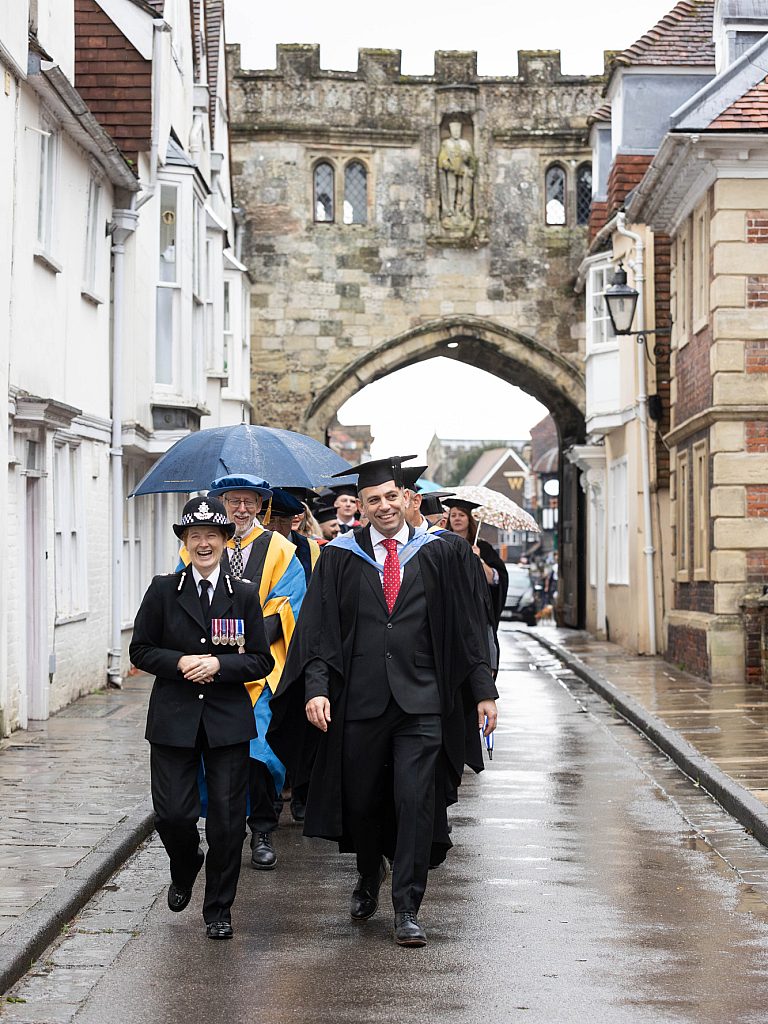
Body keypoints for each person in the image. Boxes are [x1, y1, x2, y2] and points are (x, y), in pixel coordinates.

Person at [268, 456, 498, 948]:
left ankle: (407, 906)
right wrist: (316, 689)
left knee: (415, 800)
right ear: (363, 506)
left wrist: (483, 691)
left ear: (406, 498)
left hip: (423, 702)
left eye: (391, 496)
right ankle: (368, 875)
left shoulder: (443, 553)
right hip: (360, 701)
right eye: (373, 499)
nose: (383, 505)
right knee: (365, 799)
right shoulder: (340, 557)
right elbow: (319, 632)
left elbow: (467, 628)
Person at [130, 496, 274, 940]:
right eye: (196, 537)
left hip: (227, 721)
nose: (204, 544)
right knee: (172, 814)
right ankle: (186, 861)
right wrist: (181, 662)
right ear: (185, 543)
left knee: (229, 821)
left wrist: (219, 666)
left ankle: (219, 910)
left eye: (212, 535)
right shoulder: (162, 590)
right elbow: (140, 650)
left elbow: (260, 661)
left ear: (226, 541)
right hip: (174, 720)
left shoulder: (244, 595)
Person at [179, 475, 307, 870]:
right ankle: (221, 827)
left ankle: (264, 828)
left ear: (260, 506)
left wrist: (239, 635)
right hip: (209, 670)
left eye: (249, 502)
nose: (241, 508)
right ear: (222, 504)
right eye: (233, 501)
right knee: (213, 751)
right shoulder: (199, 547)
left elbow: (288, 607)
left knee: (259, 752)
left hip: (259, 670)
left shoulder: (281, 550)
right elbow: (183, 598)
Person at [444, 498, 509, 633]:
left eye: (461, 515)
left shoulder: (483, 547)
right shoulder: (442, 544)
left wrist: (478, 560)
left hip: (477, 614)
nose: (457, 519)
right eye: (453, 515)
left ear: (469, 519)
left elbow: (495, 580)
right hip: (451, 611)